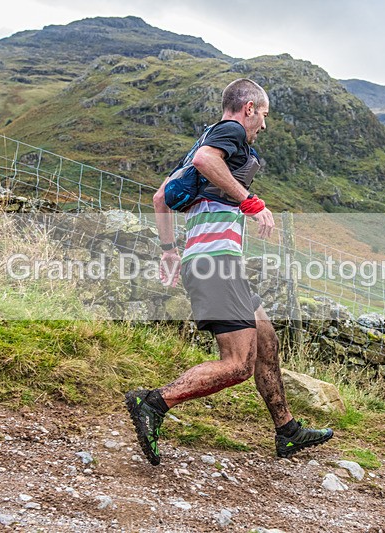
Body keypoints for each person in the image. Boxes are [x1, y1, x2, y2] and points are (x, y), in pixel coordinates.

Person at [125, 78, 333, 466]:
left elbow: (159, 197)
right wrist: (250, 202)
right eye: (263, 115)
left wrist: (169, 250)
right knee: (238, 364)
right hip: (215, 262)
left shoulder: (201, 145)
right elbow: (207, 161)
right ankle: (152, 402)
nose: (264, 125)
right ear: (249, 108)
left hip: (214, 261)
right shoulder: (229, 132)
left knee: (266, 340)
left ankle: (287, 431)